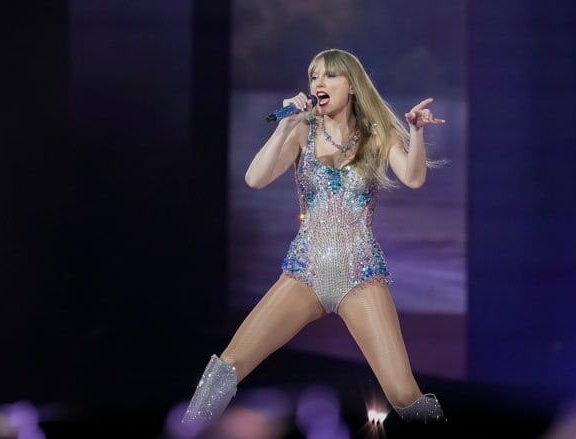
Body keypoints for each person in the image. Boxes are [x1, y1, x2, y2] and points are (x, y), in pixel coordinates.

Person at [180, 48, 447, 431]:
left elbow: (414, 177)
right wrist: (284, 125)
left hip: (360, 275)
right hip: (304, 273)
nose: (319, 83)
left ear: (351, 85)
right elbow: (254, 179)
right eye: (314, 76)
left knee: (404, 393)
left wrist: (417, 134)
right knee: (227, 368)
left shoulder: (377, 134)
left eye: (329, 76)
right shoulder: (302, 131)